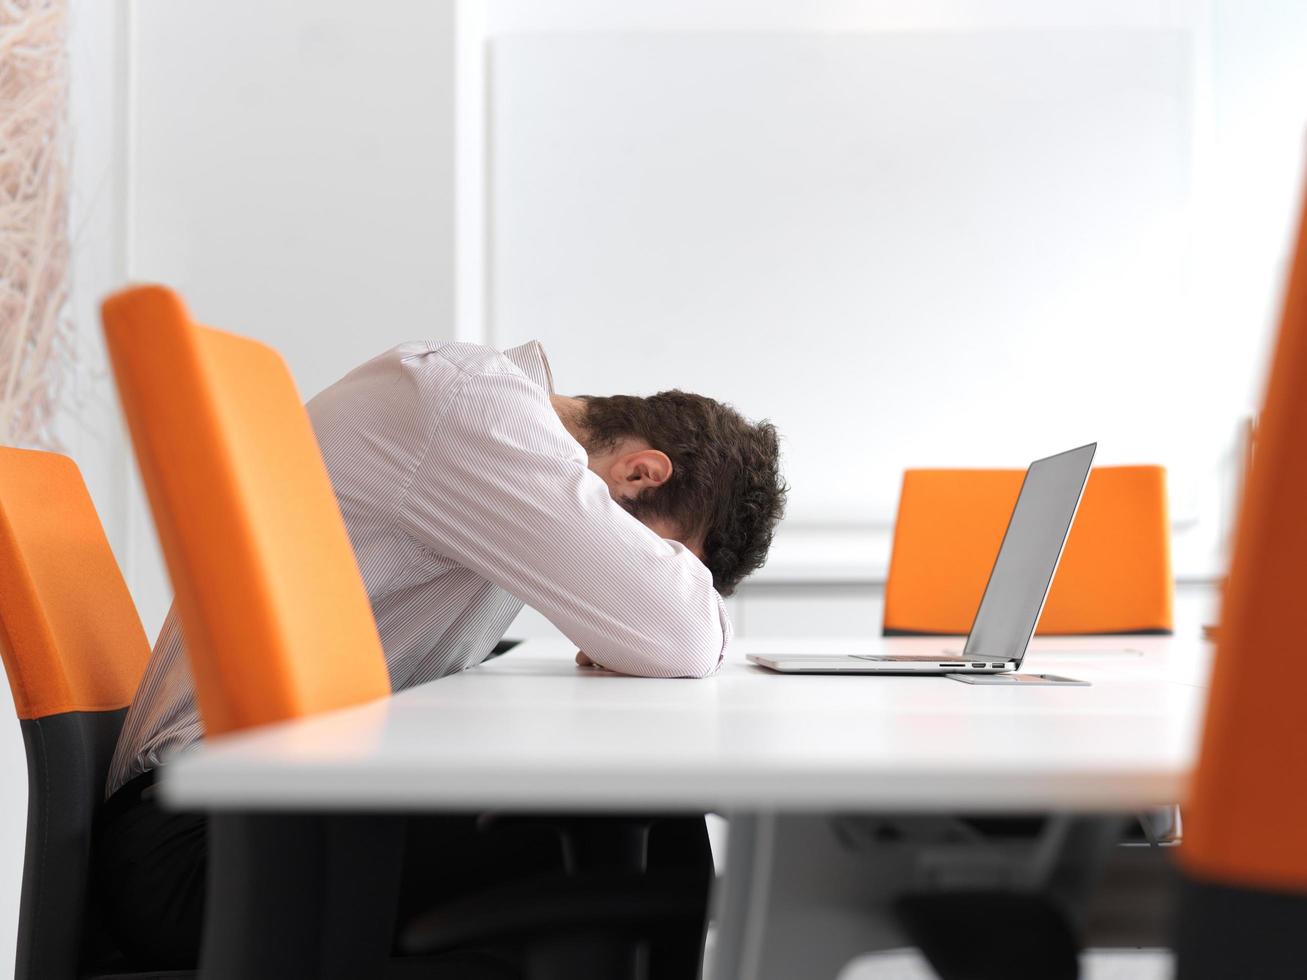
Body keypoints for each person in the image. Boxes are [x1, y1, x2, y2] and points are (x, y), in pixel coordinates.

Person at [93, 339, 787, 969]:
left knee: (634, 815)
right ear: (640, 473)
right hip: (198, 850)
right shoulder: (469, 408)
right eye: (657, 555)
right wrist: (654, 620)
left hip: (250, 818)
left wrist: (642, 624)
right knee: (608, 823)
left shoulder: (480, 438)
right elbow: (681, 632)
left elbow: (663, 630)